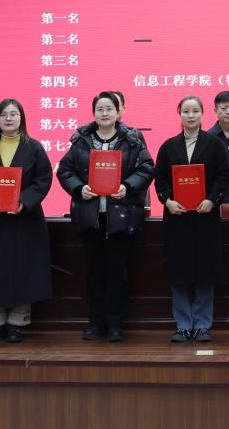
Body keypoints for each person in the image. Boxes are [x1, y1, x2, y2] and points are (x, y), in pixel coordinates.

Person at [56, 91, 155, 343]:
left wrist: (128, 186)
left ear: (118, 111)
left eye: (109, 108)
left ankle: (115, 324)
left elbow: (147, 168)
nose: (104, 113)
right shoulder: (82, 139)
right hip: (91, 218)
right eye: (100, 109)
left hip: (120, 217)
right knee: (94, 273)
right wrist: (79, 188)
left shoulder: (132, 138)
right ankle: (94, 323)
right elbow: (65, 170)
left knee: (118, 274)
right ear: (94, 113)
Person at [0, 98, 54, 344]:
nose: (9, 119)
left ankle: (17, 324)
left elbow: (43, 179)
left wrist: (23, 201)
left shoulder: (34, 148)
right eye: (4, 115)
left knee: (23, 271)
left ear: (21, 118)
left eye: (14, 114)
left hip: (25, 221)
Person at [153, 95, 229, 343]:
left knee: (205, 273)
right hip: (178, 218)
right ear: (179, 114)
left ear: (203, 114)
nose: (191, 115)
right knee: (179, 273)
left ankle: (202, 325)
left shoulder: (214, 144)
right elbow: (160, 179)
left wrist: (212, 200)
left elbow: (223, 177)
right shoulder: (168, 146)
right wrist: (167, 201)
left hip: (205, 217)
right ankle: (183, 325)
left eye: (195, 111)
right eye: (186, 111)